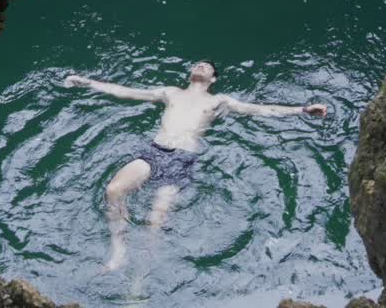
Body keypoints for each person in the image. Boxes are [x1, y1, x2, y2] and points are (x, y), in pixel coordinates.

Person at [62, 60, 328, 271]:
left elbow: (260, 109)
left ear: (213, 79)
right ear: (190, 73)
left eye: (207, 66)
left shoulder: (219, 101)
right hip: (154, 151)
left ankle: (140, 277)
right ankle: (118, 253)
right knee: (113, 190)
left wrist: (302, 110)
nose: (201, 65)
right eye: (197, 64)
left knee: (155, 223)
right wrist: (88, 83)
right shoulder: (170, 92)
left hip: (181, 159)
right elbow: (128, 92)